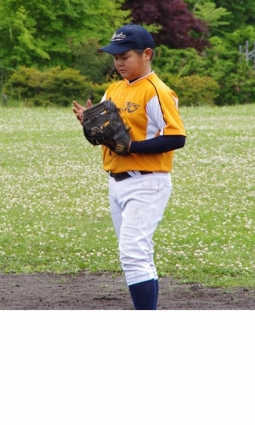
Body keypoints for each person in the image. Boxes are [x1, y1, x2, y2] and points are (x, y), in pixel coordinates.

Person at [72, 24, 186, 310]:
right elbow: (104, 131)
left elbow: (176, 137)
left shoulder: (157, 91)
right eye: (115, 57)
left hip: (147, 182)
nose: (119, 63)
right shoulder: (114, 89)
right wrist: (88, 121)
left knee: (132, 252)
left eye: (125, 56)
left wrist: (132, 147)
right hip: (116, 181)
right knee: (138, 253)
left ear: (147, 54)